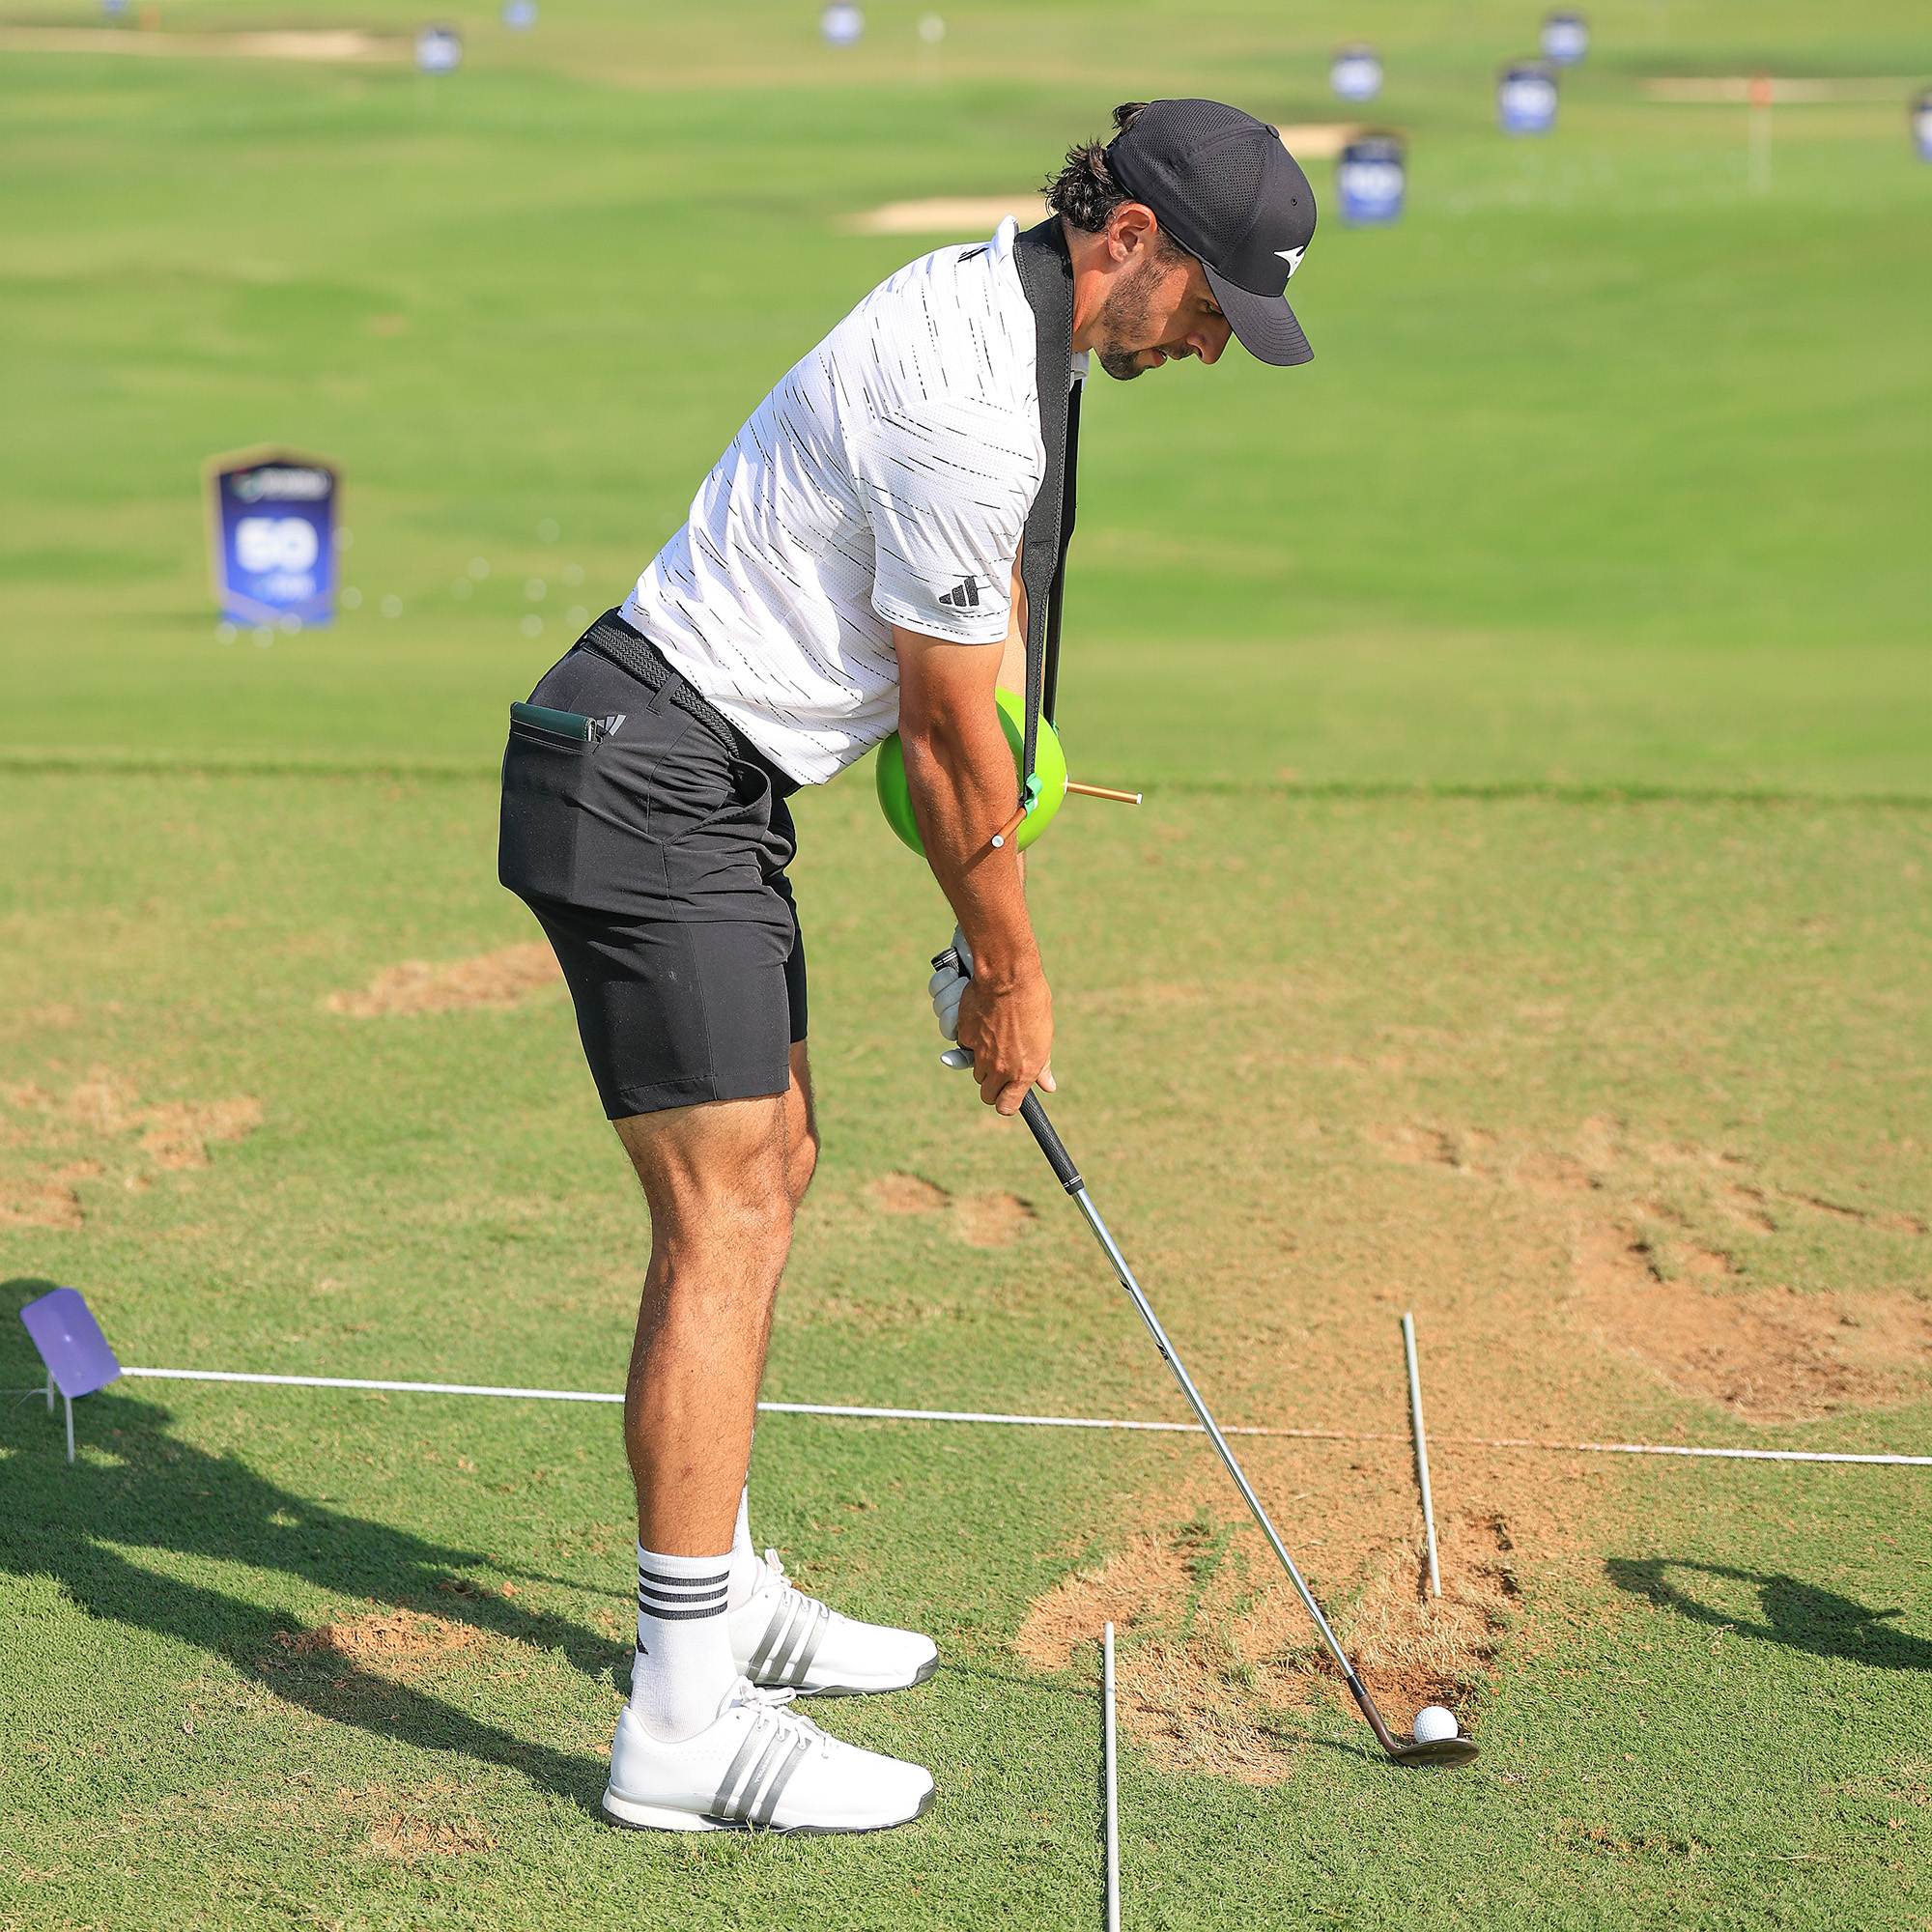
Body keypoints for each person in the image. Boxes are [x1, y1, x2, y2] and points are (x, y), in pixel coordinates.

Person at [497, 99, 1317, 1835]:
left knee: (775, 1166)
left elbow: (975, 697)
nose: (1215, 343)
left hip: (704, 787)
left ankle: (722, 1589)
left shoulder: (1023, 330)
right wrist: (1011, 970)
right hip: (645, 786)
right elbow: (946, 743)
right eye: (1213, 304)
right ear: (1137, 241)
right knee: (723, 1216)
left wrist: (977, 913)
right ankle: (680, 1722)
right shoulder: (968, 392)